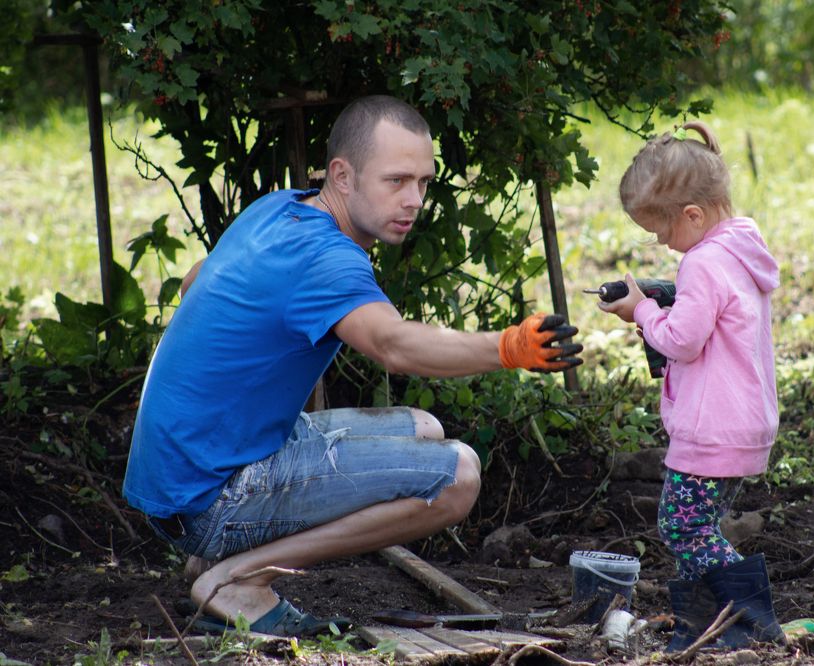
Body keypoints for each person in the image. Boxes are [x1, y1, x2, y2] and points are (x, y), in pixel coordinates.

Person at [122, 95, 583, 637]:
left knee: (425, 429)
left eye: (424, 183)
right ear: (342, 175)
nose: (414, 200)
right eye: (396, 181)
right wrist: (509, 348)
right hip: (210, 498)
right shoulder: (326, 259)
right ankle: (238, 579)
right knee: (457, 476)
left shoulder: (278, 210)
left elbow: (195, 281)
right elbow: (393, 345)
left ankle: (211, 557)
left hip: (180, 473)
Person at [597, 121, 783, 650]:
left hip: (712, 425)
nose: (661, 242)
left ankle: (752, 621)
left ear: (693, 215)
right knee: (696, 526)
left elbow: (682, 340)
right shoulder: (740, 247)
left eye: (661, 231)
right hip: (744, 421)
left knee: (682, 528)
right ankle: (706, 629)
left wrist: (641, 311)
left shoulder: (703, 261)